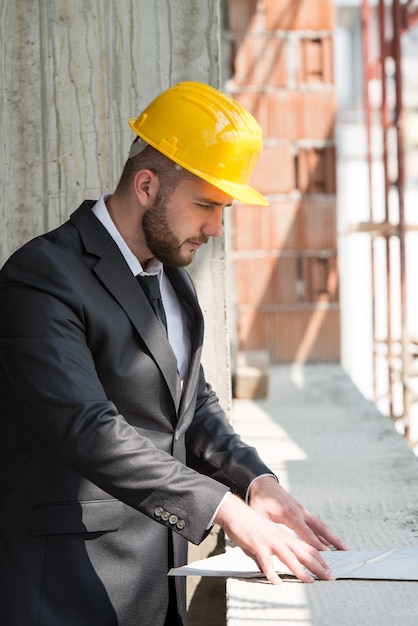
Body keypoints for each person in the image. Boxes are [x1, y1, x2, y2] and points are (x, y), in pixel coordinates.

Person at [0, 81, 347, 626]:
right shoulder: (42, 277)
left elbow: (191, 403)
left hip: (156, 588)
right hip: (65, 591)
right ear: (145, 185)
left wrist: (257, 483)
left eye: (224, 207)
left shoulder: (170, 275)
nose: (216, 227)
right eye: (205, 204)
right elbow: (86, 428)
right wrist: (222, 508)